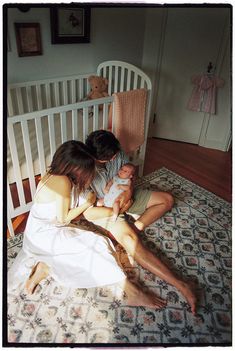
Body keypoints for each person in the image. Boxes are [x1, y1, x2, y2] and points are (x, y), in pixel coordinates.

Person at [8, 140, 166, 309]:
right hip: (44, 234)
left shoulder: (51, 174)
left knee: (93, 243)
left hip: (38, 229)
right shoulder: (62, 182)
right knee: (96, 247)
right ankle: (134, 293)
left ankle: (44, 268)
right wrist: (87, 202)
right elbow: (63, 219)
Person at [79, 130, 197, 315]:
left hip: (127, 198)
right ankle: (181, 285)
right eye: (112, 157)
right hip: (108, 209)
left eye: (116, 153)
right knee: (136, 246)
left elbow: (130, 180)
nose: (117, 157)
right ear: (99, 158)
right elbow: (90, 211)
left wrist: (129, 195)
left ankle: (135, 226)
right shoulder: (85, 169)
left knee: (167, 199)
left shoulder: (117, 153)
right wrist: (116, 210)